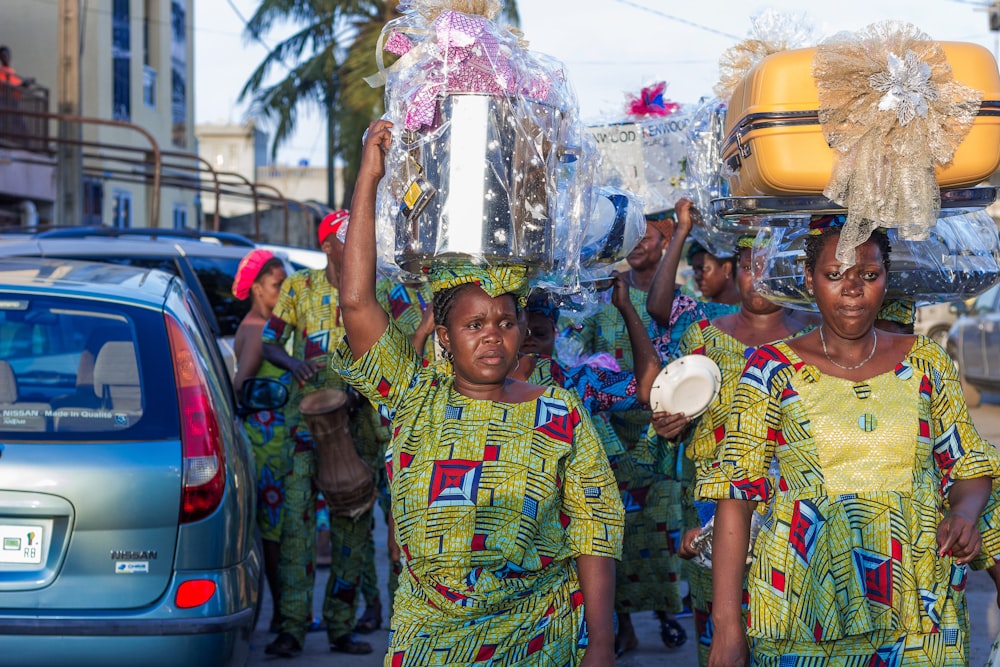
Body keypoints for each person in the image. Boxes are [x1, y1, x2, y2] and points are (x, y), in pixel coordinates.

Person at [335, 118, 625, 667]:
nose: (493, 335)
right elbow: (356, 303)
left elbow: (595, 528)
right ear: (443, 336)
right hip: (431, 636)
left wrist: (602, 645)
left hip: (539, 633)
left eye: (506, 322)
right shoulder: (414, 397)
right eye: (475, 325)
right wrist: (369, 179)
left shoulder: (558, 412)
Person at [700, 219, 1000, 666]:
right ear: (809, 280)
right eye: (834, 275)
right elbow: (736, 496)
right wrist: (727, 626)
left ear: (886, 279)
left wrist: (962, 512)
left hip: (918, 612)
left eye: (868, 274)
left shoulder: (927, 362)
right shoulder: (770, 370)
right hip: (801, 609)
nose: (852, 289)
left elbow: (969, 466)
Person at [648, 230, 816, 667]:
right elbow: (678, 417)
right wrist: (671, 428)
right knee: (723, 631)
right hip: (713, 510)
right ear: (735, 271)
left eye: (768, 266)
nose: (757, 277)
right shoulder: (703, 337)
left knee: (792, 620)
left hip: (794, 512)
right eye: (747, 266)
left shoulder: (816, 339)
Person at [564, 208, 689, 654]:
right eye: (632, 237)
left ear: (667, 239)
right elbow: (585, 361)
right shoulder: (604, 302)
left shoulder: (681, 303)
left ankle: (664, 612)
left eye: (648, 236)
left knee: (658, 538)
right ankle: (623, 627)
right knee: (615, 538)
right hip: (614, 436)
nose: (638, 244)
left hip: (665, 435)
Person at [260, 210, 374, 657]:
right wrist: (293, 363)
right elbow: (271, 339)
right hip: (303, 431)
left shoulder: (377, 288)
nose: (359, 242)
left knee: (350, 534)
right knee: (296, 533)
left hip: (356, 431)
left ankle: (341, 626)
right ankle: (291, 626)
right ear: (327, 245)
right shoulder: (299, 288)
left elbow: (407, 343)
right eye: (348, 237)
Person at [231, 248, 289, 631]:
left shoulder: (262, 326)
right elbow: (240, 387)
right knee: (272, 535)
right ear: (256, 288)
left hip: (274, 442)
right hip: (267, 446)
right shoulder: (255, 330)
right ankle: (283, 615)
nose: (282, 294)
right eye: (276, 286)